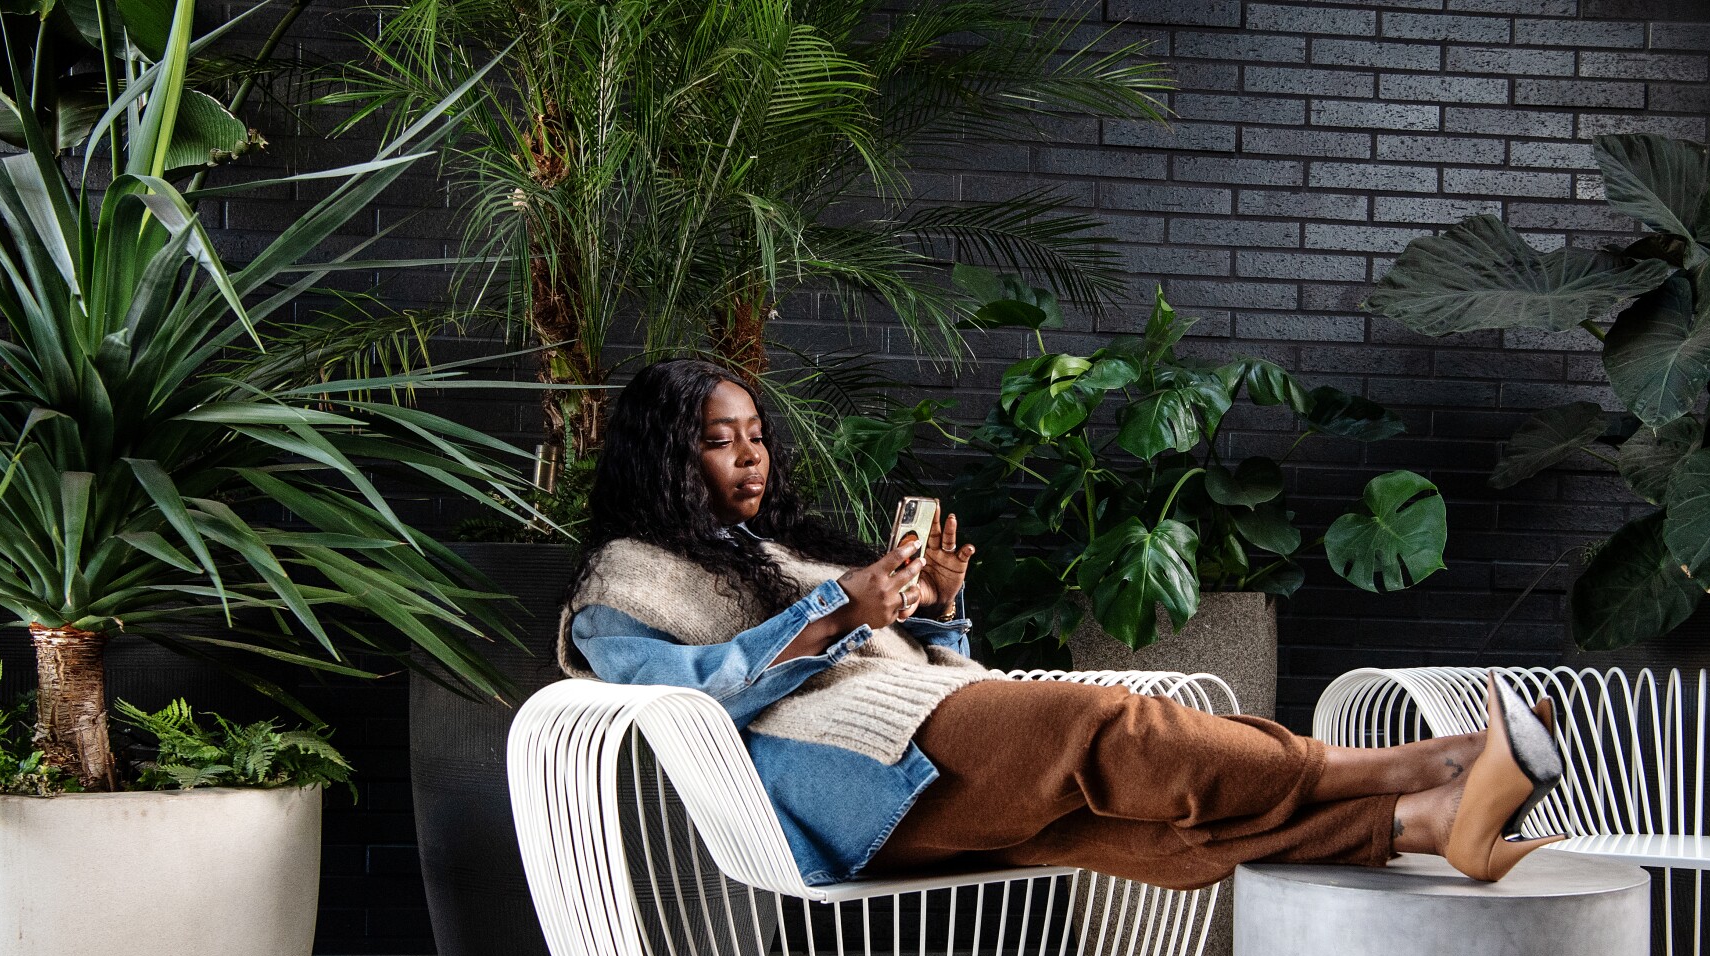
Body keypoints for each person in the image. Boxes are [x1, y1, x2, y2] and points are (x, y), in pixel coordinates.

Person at [559, 359, 1562, 892]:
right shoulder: (624, 579)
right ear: (663, 456)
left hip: (919, 727)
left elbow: (917, 669)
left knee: (1140, 829)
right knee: (1111, 724)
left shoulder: (782, 551)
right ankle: (1413, 765)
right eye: (718, 442)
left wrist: (938, 610)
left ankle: (1427, 825)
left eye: (756, 438)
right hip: (847, 781)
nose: (751, 458)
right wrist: (839, 610)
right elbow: (685, 693)